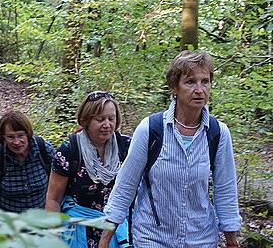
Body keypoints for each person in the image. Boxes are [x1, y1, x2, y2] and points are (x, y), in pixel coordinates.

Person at [99, 51, 241, 248]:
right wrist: (105, 239)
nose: (199, 89)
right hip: (152, 238)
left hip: (200, 239)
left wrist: (231, 240)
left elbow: (225, 189)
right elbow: (125, 186)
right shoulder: (150, 129)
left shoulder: (218, 133)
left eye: (205, 81)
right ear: (174, 87)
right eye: (190, 82)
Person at [45, 91, 131, 248]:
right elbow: (53, 199)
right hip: (77, 230)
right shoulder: (70, 150)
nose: (107, 124)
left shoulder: (126, 147)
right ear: (86, 120)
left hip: (116, 229)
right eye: (100, 119)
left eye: (111, 119)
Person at [0, 110, 54, 236]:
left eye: (20, 135)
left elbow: (60, 186)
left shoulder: (44, 151)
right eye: (10, 137)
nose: (16, 142)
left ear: (28, 134)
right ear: (3, 137)